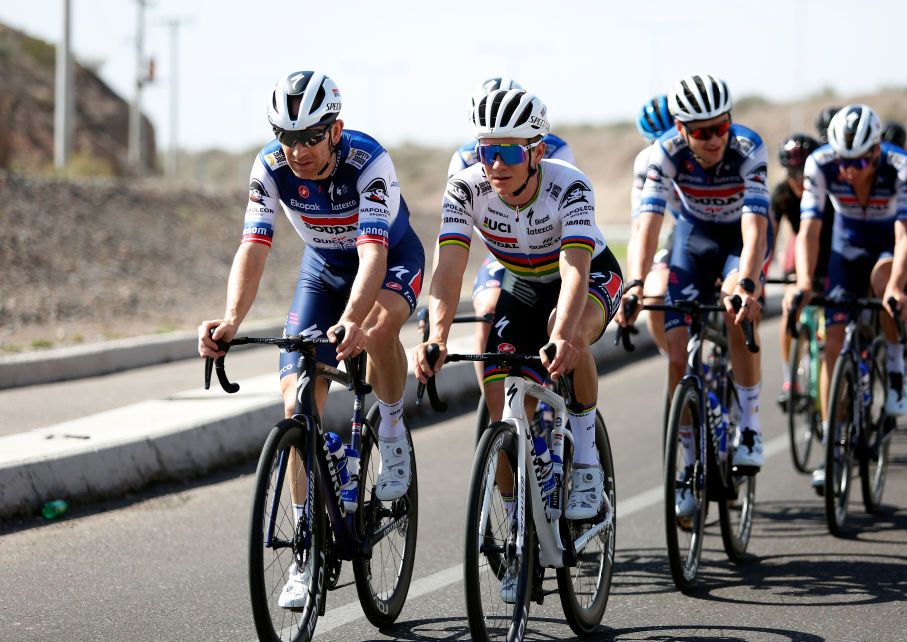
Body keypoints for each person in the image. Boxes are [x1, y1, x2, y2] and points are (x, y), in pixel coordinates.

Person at [197, 70, 424, 607]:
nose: (296, 150)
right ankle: (305, 548)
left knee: (377, 328)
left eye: (309, 137)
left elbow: (373, 254)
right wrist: (230, 320)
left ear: (335, 130)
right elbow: (253, 247)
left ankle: (390, 432)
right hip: (322, 271)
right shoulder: (270, 167)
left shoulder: (369, 161)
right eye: (285, 137)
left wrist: (354, 318)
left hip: (389, 262)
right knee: (297, 400)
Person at [415, 89, 622, 543]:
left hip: (587, 277)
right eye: (487, 152)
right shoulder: (465, 188)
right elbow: (448, 270)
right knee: (502, 398)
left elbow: (574, 270)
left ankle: (585, 458)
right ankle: (517, 536)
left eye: (509, 152)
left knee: (567, 334)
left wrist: (564, 333)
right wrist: (437, 336)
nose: (496, 165)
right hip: (523, 284)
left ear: (537, 152)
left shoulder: (570, 184)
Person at [620, 74, 772, 519]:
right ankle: (688, 465)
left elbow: (755, 227)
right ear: (682, 130)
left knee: (734, 310)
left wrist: (746, 282)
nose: (713, 139)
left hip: (740, 241)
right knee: (675, 350)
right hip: (693, 238)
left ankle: (749, 426)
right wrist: (634, 282)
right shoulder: (664, 152)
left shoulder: (749, 147)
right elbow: (646, 225)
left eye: (720, 127)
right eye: (701, 132)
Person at [790, 104, 907, 493]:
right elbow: (809, 230)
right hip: (846, 244)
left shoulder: (902, 167)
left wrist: (898, 286)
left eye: (859, 162)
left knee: (885, 285)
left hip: (886, 243)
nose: (848, 170)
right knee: (833, 336)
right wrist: (805, 281)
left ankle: (895, 368)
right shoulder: (820, 164)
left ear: (877, 152)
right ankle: (833, 443)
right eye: (843, 162)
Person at [447, 77, 578, 389]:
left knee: (564, 324)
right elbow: (458, 230)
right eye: (487, 150)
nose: (495, 162)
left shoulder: (555, 148)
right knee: (488, 308)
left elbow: (554, 205)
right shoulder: (464, 158)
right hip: (503, 255)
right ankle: (492, 405)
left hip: (551, 248)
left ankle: (552, 388)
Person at [773, 133, 833, 407]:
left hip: (830, 252)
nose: (798, 179)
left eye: (802, 171)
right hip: (800, 254)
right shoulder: (783, 194)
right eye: (791, 172)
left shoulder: (828, 190)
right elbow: (769, 242)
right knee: (789, 308)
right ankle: (790, 379)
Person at [629, 94, 681, 353]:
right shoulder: (646, 162)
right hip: (684, 231)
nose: (664, 148)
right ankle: (677, 362)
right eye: (655, 142)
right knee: (654, 293)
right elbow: (640, 228)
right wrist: (632, 285)